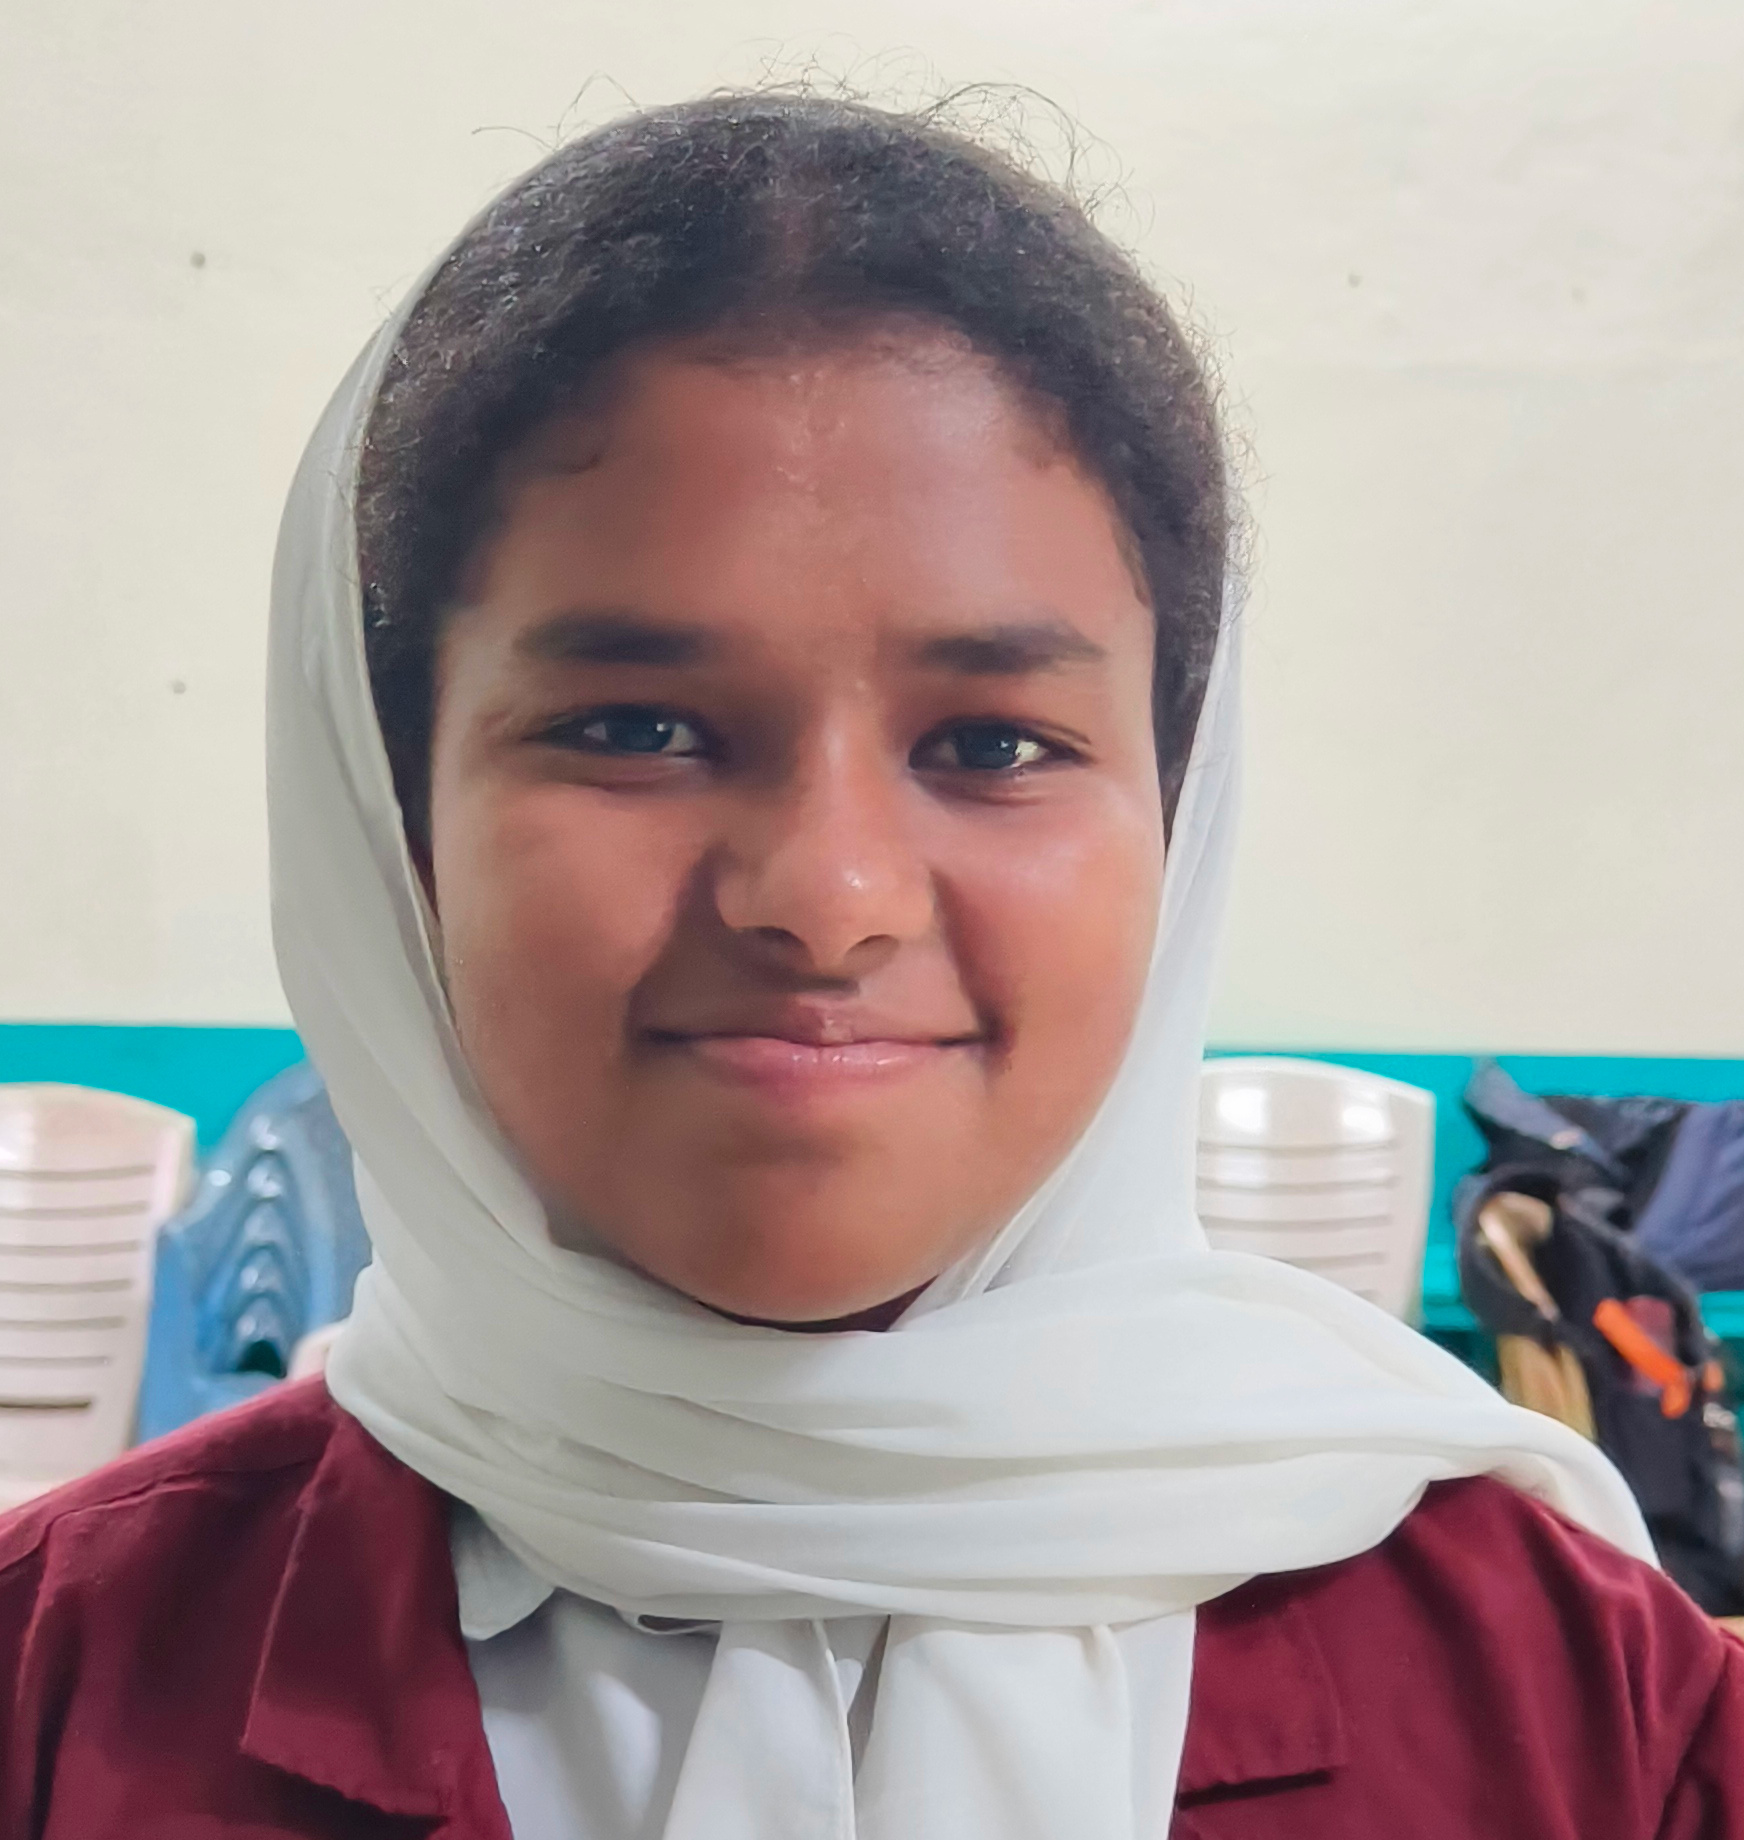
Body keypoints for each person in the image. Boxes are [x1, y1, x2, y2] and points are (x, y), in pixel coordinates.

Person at [2, 93, 1740, 1840]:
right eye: (636, 727)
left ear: (1179, 809)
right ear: (392, 813)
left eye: (994, 744)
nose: (829, 898)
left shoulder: (1598, 1719)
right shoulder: (56, 1689)